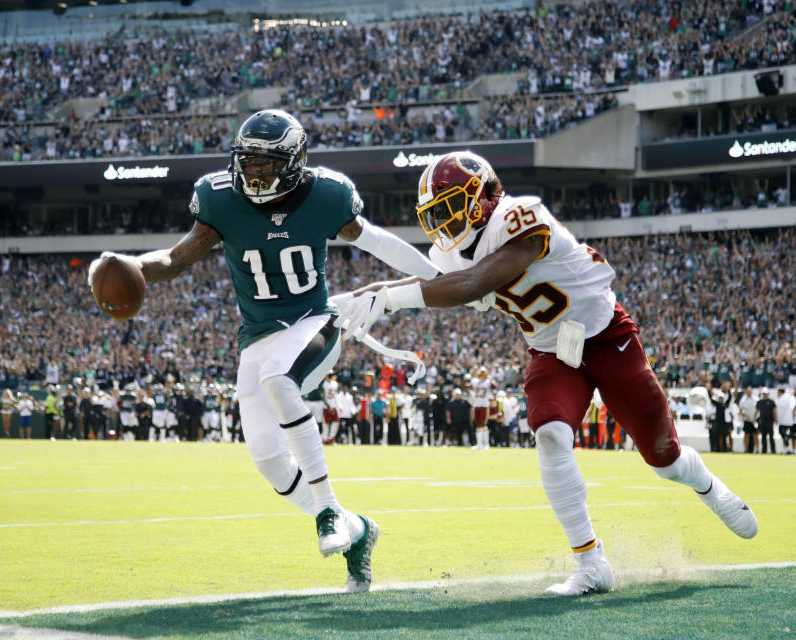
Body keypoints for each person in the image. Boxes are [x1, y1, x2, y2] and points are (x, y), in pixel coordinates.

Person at [336, 150, 758, 596]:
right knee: (551, 434)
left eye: (447, 207)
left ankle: (711, 489)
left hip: (606, 337)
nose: (441, 222)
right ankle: (591, 564)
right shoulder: (455, 247)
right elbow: (432, 276)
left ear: (480, 197)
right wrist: (366, 285)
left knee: (664, 459)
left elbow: (473, 284)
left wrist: (389, 299)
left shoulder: (520, 216)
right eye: (434, 213)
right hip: (551, 351)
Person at [88, 109, 439, 592]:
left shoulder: (326, 194)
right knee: (269, 460)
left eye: (264, 163)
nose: (252, 172)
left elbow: (379, 243)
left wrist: (443, 281)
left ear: (294, 161)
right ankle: (358, 531)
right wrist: (133, 265)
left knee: (280, 379)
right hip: (257, 337)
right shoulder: (220, 200)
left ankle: (329, 513)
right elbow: (173, 259)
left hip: (313, 322)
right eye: (246, 162)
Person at [755, 388, 776, 454]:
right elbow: (756, 411)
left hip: (770, 421)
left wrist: (775, 420)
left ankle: (773, 450)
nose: (764, 395)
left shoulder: (771, 401)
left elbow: (774, 411)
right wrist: (754, 419)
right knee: (763, 436)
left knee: (771, 436)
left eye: (765, 393)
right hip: (762, 421)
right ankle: (764, 450)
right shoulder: (759, 402)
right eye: (763, 393)